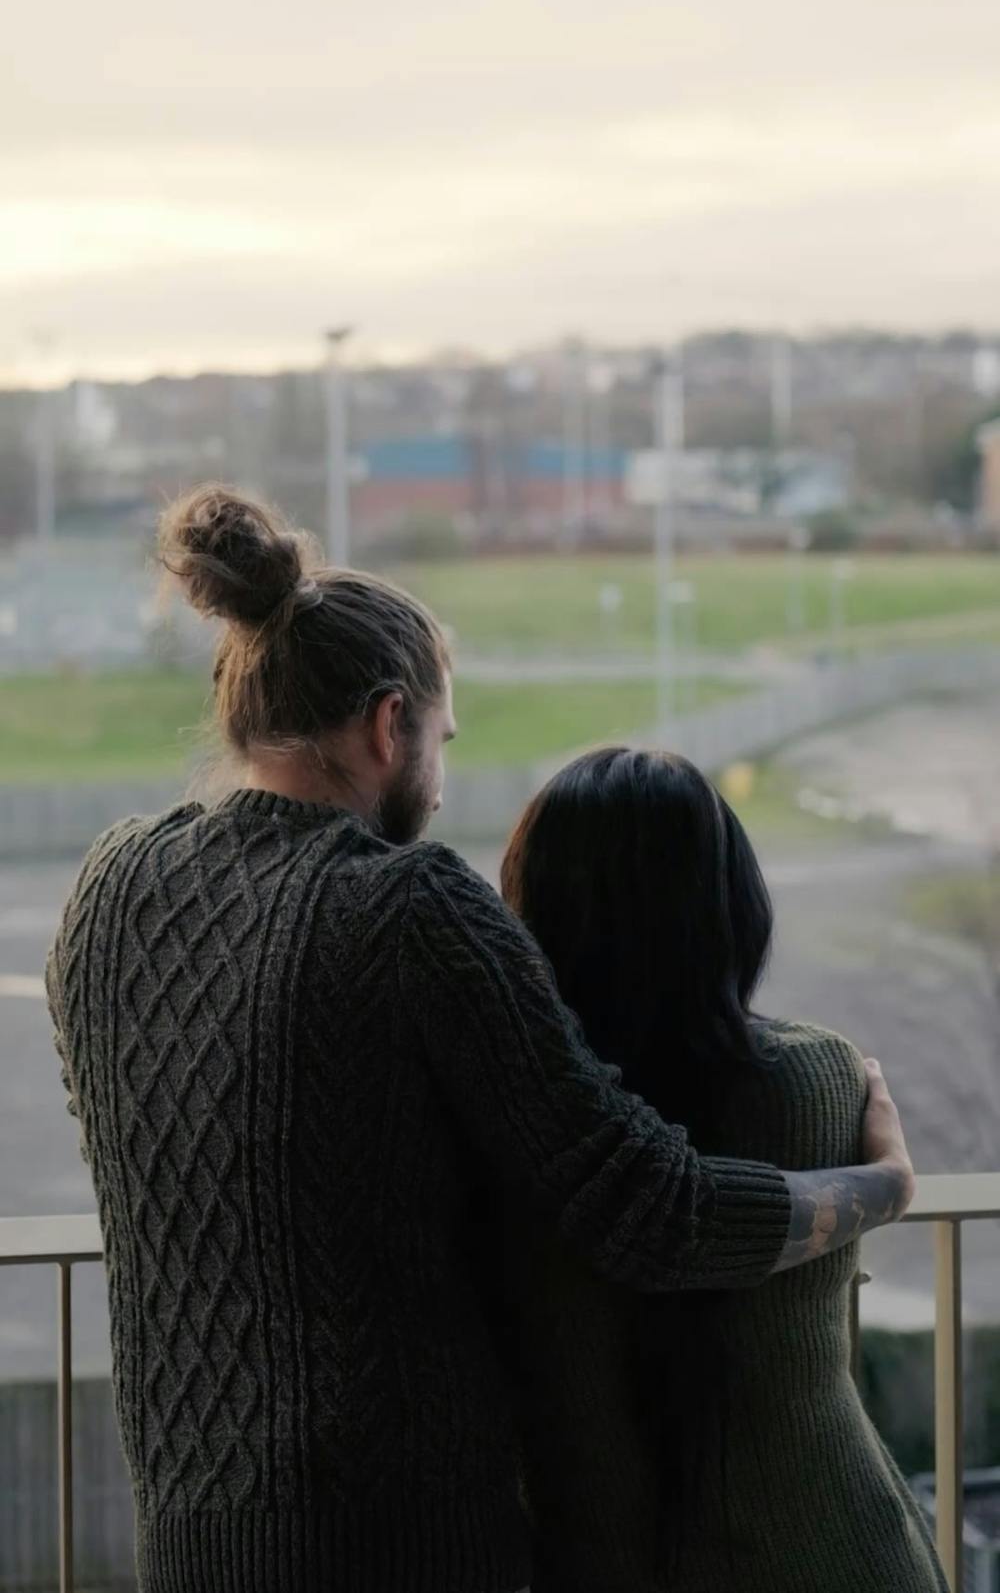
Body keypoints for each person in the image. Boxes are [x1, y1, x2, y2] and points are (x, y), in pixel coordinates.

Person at [45, 485, 914, 1593]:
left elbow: (137, 1145)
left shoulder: (109, 884)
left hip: (188, 1535)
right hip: (405, 1541)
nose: (444, 784)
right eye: (441, 741)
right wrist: (878, 1185)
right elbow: (650, 1209)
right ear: (387, 722)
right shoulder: (408, 906)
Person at [497, 746, 946, 1593]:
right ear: (729, 903)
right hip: (838, 1547)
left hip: (603, 1558)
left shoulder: (513, 1115)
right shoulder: (820, 1078)